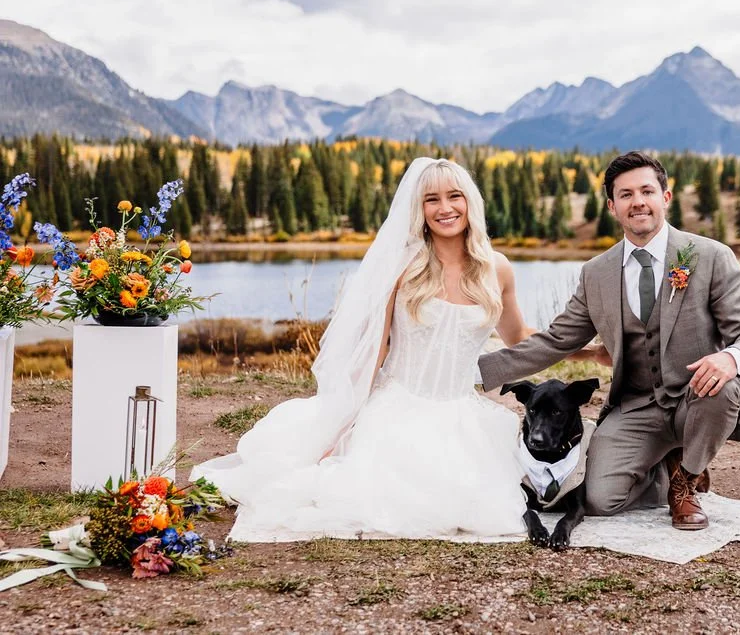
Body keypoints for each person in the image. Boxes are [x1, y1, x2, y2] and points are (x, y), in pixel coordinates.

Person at [193, 158, 571, 541]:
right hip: (398, 409)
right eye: (431, 199)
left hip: (463, 416)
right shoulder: (404, 267)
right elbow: (375, 350)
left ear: (470, 201)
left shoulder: (498, 269)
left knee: (485, 504)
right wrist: (341, 426)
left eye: (454, 196)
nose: (445, 208)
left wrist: (586, 349)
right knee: (371, 497)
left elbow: (519, 334)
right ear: (419, 211)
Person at [478, 151, 740, 530]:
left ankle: (686, 480)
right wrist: (478, 370)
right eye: (626, 195)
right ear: (613, 207)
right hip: (635, 408)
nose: (638, 202)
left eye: (647, 191)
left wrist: (731, 358)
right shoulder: (596, 274)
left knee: (725, 388)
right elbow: (555, 340)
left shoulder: (711, 256)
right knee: (599, 500)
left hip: (696, 399)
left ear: (665, 197)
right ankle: (661, 470)